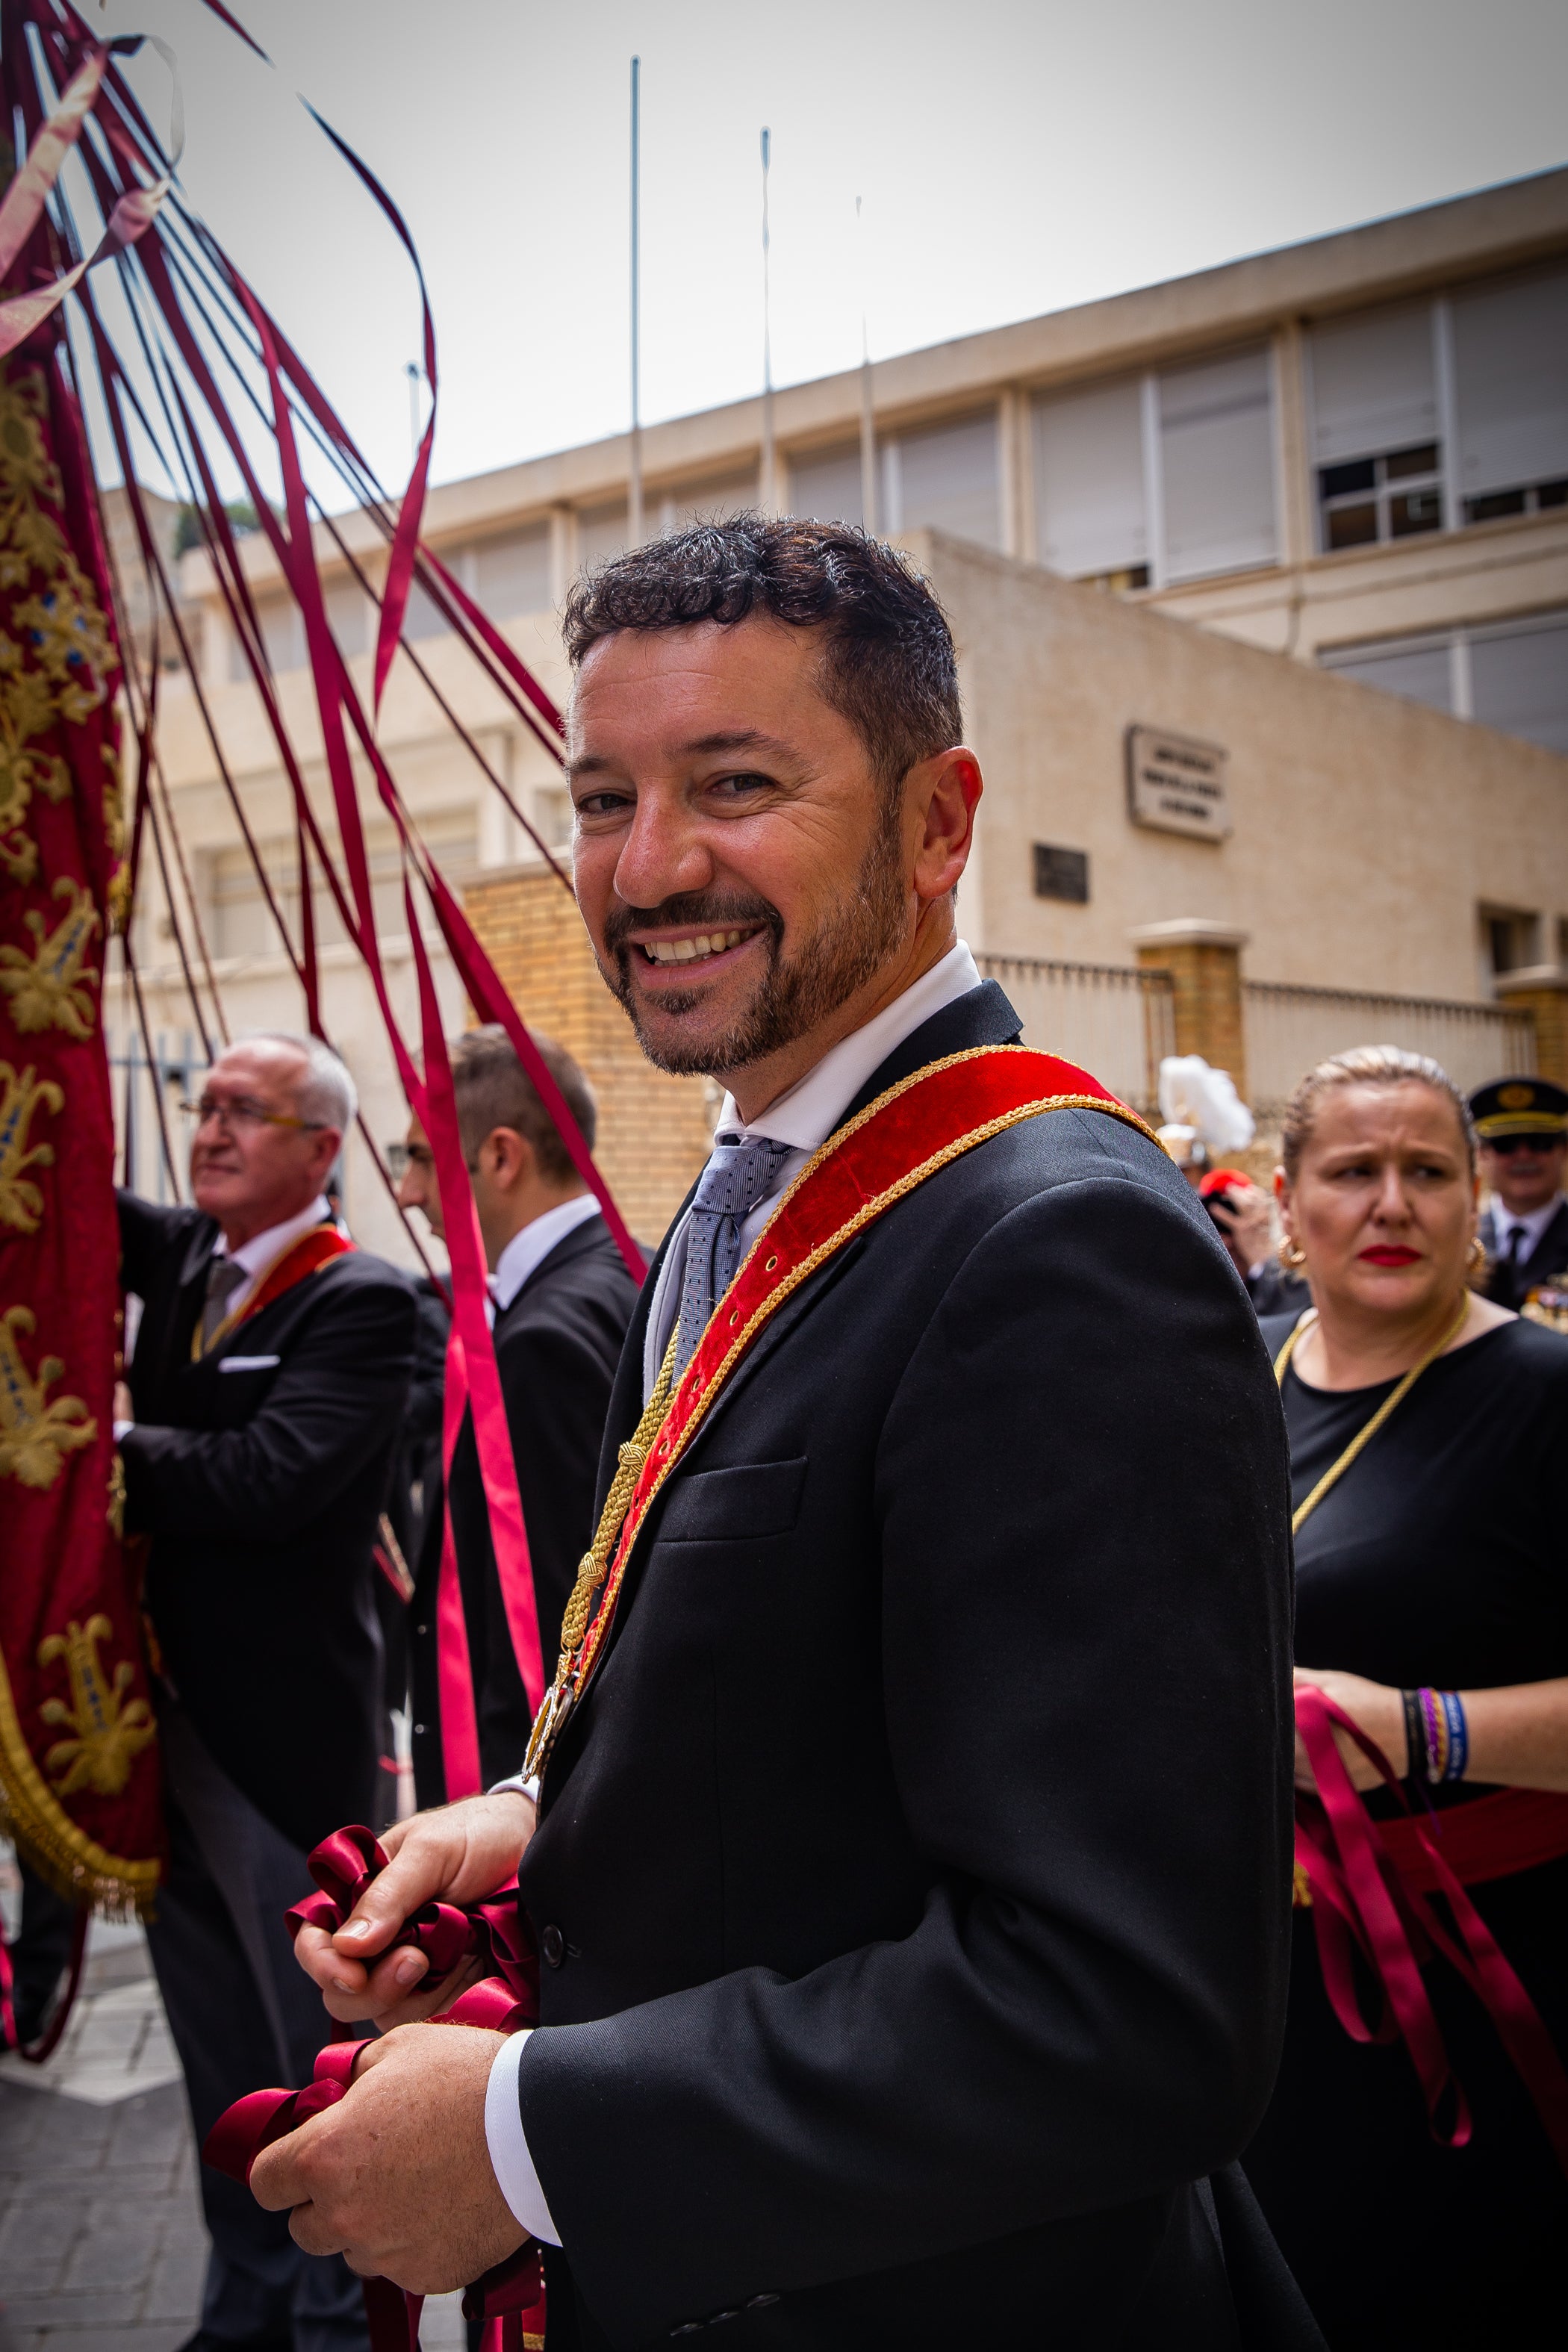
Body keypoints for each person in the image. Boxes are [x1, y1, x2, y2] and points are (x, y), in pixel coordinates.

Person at [269, 519, 1310, 2349]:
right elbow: (814, 1735)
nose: (649, 867)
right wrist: (536, 1832)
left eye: (735, 786)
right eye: (603, 799)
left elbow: (1130, 2018)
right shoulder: (758, 1192)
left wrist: (521, 2136)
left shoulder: (1053, 1242)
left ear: (935, 822)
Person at [1239, 1045, 1568, 2347]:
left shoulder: (1545, 1394)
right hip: (1250, 1974)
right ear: (1290, 1192)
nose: (1392, 1204)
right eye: (1354, 1171)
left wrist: (1423, 1725)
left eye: (1428, 1172)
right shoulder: (1229, 1369)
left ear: (1475, 1199)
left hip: (1486, 1973)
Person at [117, 1030, 416, 2352]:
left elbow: (272, 1477)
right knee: (214, 2044)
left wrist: (106, 1444)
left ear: (321, 1149)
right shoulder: (187, 1256)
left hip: (279, 1745)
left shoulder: (362, 1301)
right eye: (207, 1105)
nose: (214, 1127)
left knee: (309, 2056)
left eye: (250, 1110)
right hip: (152, 1727)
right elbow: (53, 1172)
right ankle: (242, 2307)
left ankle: (333, 2318)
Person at [393, 1027, 639, 1800]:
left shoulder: (541, 1341)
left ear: (501, 1158)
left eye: (422, 1159)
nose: (406, 1192)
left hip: (514, 1788)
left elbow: (554, 1624)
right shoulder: (625, 1268)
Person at [1471, 1075, 1568, 1312]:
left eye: (1539, 1143)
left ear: (1564, 1150)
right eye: (1506, 1145)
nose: (1523, 1156)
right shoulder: (1462, 1240)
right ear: (1482, 1154)